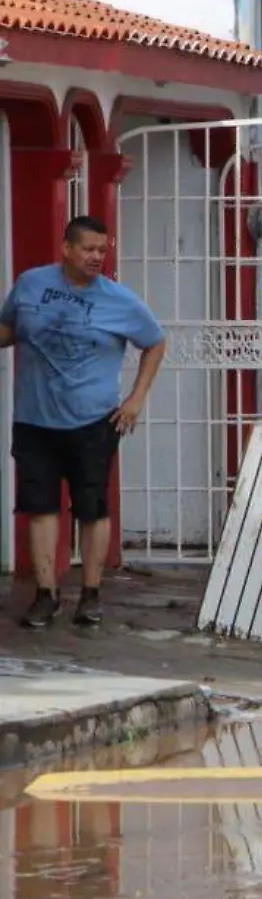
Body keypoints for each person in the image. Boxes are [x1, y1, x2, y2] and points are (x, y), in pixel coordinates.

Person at [0, 215, 167, 628]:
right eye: (89, 249)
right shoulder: (31, 285)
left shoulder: (120, 300)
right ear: (67, 248)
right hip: (35, 418)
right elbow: (8, 329)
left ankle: (90, 593)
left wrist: (136, 398)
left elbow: (156, 342)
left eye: (102, 249)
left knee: (92, 507)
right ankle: (45, 594)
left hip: (94, 420)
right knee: (39, 507)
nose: (97, 257)